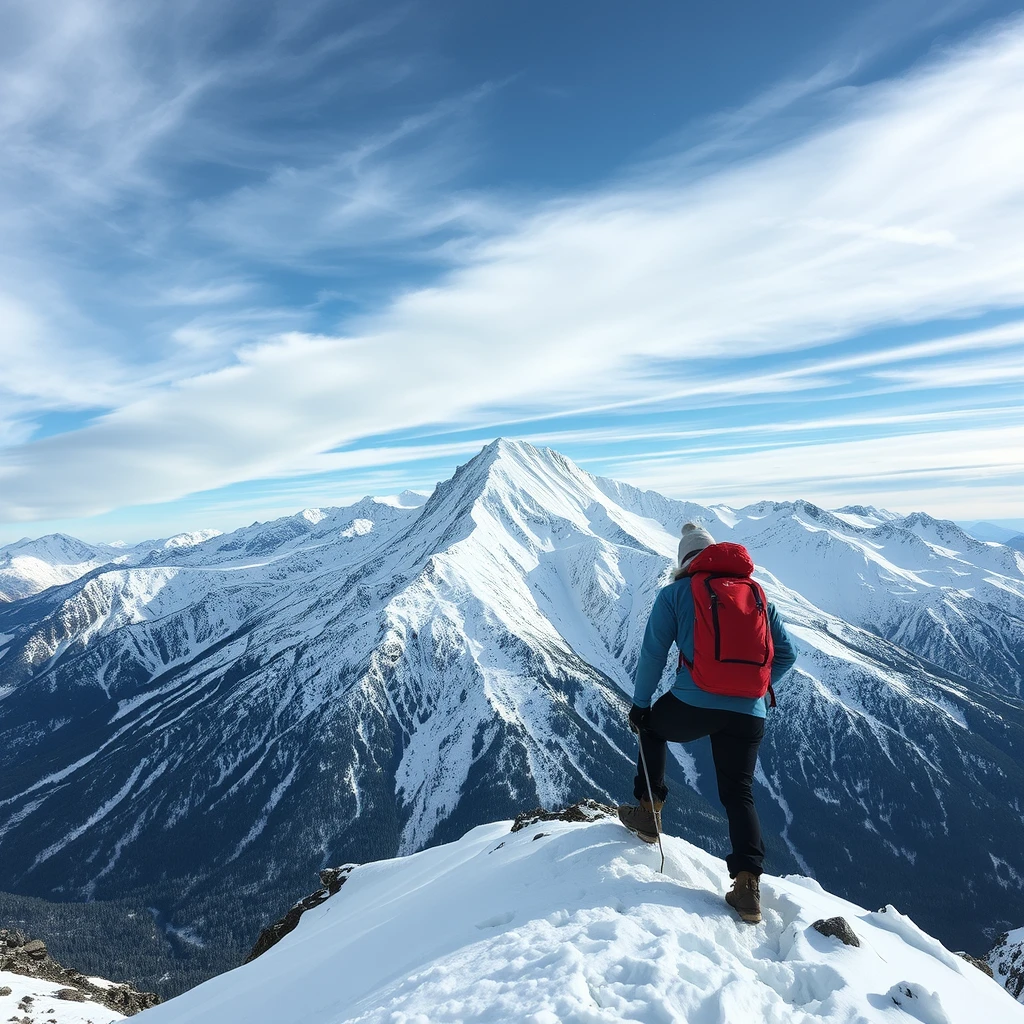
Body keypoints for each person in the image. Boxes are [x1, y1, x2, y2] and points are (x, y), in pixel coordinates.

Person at [618, 523, 797, 924]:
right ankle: (748, 886)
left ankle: (649, 813)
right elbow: (787, 654)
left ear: (684, 563)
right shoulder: (757, 596)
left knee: (652, 728)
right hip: (749, 712)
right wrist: (758, 688)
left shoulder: (676, 594)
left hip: (694, 701)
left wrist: (640, 705)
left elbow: (652, 654)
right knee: (739, 792)